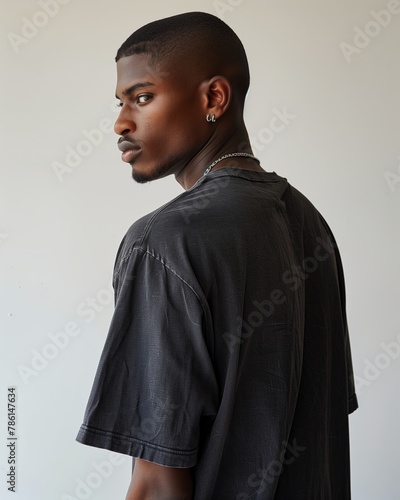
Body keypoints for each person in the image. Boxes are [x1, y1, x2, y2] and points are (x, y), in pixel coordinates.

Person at [76, 11, 358, 500]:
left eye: (143, 97)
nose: (121, 122)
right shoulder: (313, 226)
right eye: (121, 102)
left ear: (213, 98)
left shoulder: (165, 241)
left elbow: (158, 480)